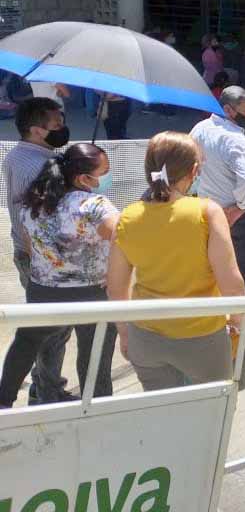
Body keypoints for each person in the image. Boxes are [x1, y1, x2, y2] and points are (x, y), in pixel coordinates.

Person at [108, 132, 245, 390]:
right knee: (212, 416)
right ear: (194, 170)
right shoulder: (207, 212)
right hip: (202, 337)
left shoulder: (127, 217)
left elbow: (116, 288)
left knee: (163, 416)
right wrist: (237, 324)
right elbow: (232, 285)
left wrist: (125, 333)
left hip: (145, 337)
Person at [0, 144, 118, 409]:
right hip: (92, 293)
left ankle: (4, 401)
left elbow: (30, 246)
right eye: (105, 172)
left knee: (26, 344)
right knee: (95, 353)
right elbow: (121, 235)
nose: (108, 177)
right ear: (83, 179)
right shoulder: (95, 205)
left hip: (43, 291)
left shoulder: (32, 203)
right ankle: (96, 407)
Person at [190, 86, 245, 345]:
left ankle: (218, 328)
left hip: (208, 212)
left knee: (215, 272)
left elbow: (192, 166)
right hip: (238, 216)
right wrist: (239, 208)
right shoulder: (233, 138)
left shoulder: (198, 130)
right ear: (229, 109)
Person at [3, 97, 73, 402]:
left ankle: (43, 386)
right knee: (54, 331)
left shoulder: (17, 155)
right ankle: (47, 393)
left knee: (45, 327)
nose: (62, 128)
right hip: (42, 259)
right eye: (56, 124)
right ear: (36, 130)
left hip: (27, 253)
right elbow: (41, 221)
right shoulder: (42, 166)